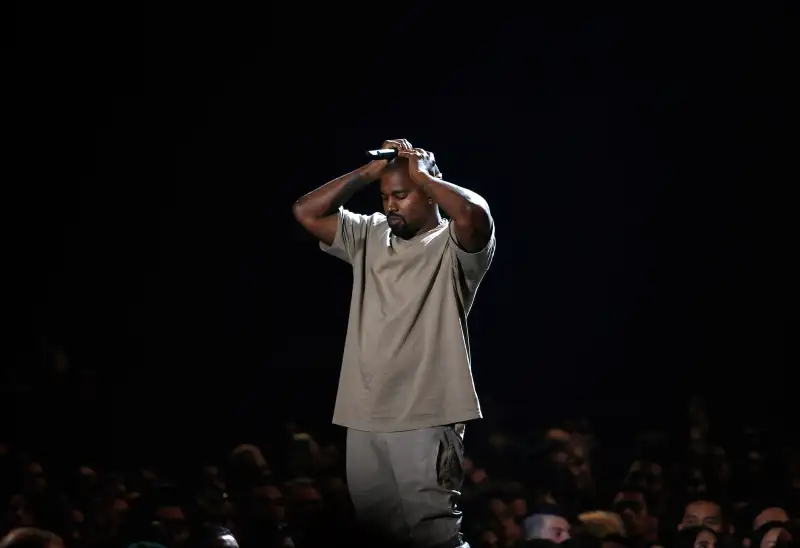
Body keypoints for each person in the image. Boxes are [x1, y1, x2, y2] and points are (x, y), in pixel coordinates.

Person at [292, 138, 496, 547]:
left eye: (401, 195)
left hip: (426, 413)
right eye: (385, 196)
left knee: (435, 535)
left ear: (428, 192)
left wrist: (423, 173)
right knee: (378, 535)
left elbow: (475, 215)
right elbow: (306, 211)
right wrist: (368, 173)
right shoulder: (370, 234)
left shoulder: (452, 245)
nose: (390, 205)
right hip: (363, 413)